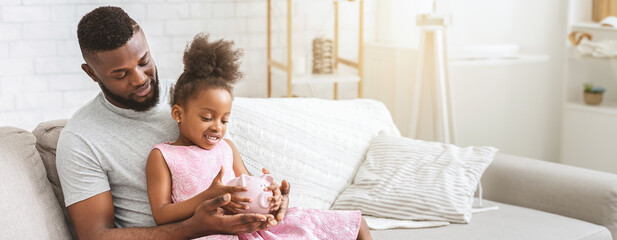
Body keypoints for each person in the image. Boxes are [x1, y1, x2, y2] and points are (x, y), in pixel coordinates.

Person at [56, 6, 281, 240]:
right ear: (92, 73)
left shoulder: (194, 96)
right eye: (121, 74)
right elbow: (96, 236)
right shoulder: (80, 139)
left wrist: (272, 202)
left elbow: (235, 175)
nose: (140, 79)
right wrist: (197, 226)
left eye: (144, 61)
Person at [145, 33, 373, 240]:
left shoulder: (226, 148)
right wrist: (209, 197)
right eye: (207, 117)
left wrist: (272, 197)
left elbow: (250, 190)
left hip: (250, 229)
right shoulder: (163, 155)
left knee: (356, 223)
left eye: (224, 120)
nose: (217, 127)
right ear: (178, 113)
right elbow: (162, 215)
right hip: (210, 233)